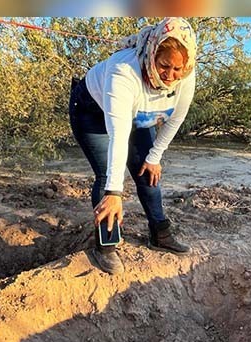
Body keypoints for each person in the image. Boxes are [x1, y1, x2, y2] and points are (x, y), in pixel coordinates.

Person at [68, 17, 196, 275]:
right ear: (152, 53)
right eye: (164, 66)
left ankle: (160, 234)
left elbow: (175, 119)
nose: (170, 76)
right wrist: (115, 192)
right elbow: (119, 135)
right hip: (91, 111)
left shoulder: (186, 76)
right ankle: (106, 245)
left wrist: (154, 156)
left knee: (147, 172)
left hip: (140, 114)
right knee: (106, 177)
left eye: (176, 69)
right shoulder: (123, 71)